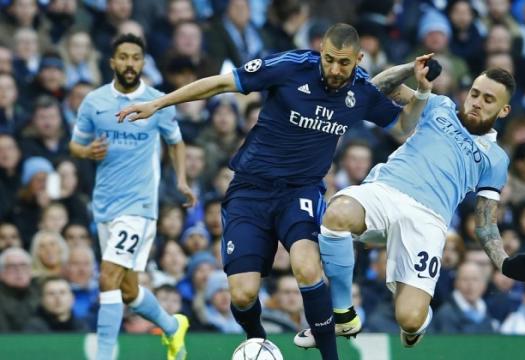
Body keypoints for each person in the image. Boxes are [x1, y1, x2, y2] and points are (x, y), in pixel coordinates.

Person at [117, 23, 432, 360]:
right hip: (250, 190)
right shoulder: (290, 67)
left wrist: (423, 92)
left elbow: (402, 125)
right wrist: (159, 104)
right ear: (320, 51)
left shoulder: (361, 91)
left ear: (358, 59)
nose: (335, 69)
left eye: (343, 62)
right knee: (242, 295)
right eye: (328, 59)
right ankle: (258, 342)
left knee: (307, 267)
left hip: (301, 190)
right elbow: (221, 84)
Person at [294, 67, 525, 349]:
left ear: (504, 111)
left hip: (428, 221)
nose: (477, 102)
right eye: (474, 94)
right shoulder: (439, 105)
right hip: (387, 191)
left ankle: (419, 319)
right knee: (337, 213)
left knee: (409, 318)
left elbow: (485, 222)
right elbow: (375, 87)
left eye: (488, 99)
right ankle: (342, 315)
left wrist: (504, 262)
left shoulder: (497, 159)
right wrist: (412, 74)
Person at [69, 34, 195, 360]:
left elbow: (176, 141)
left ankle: (105, 356)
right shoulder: (94, 102)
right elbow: (74, 144)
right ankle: (171, 326)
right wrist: (87, 151)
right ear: (112, 62)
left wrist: (181, 179)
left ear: (143, 62)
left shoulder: (157, 102)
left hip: (139, 206)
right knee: (127, 291)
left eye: (135, 57)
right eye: (123, 57)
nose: (129, 63)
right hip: (105, 205)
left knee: (108, 276)